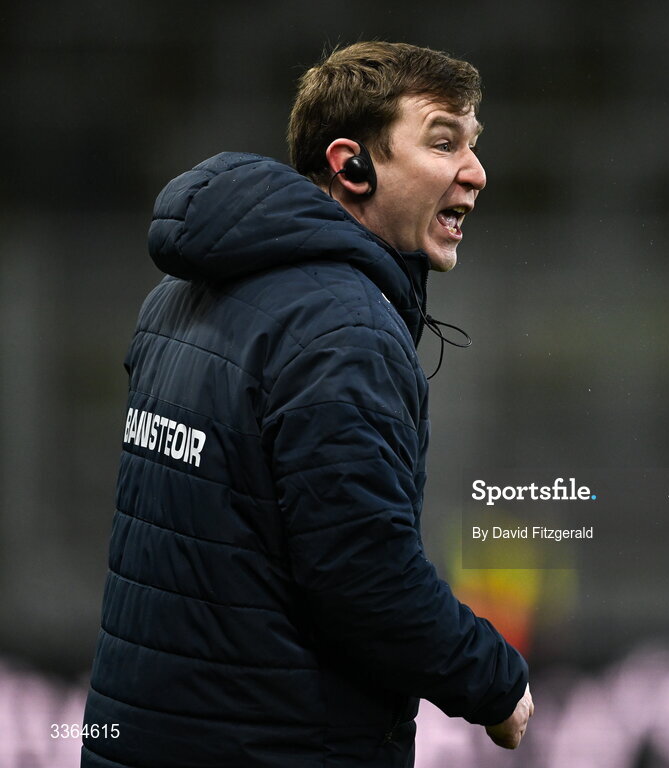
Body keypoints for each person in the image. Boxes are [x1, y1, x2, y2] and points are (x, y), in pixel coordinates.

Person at [81, 41, 533, 768]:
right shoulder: (342, 329)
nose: (475, 172)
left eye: (473, 145)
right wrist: (494, 680)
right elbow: (363, 575)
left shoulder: (179, 293)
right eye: (443, 141)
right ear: (351, 164)